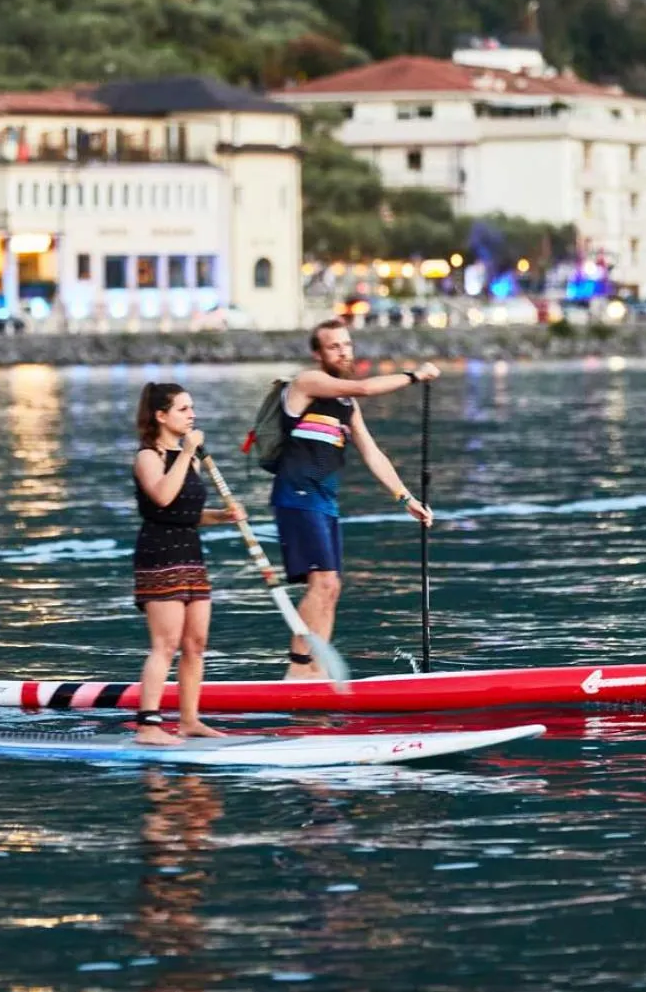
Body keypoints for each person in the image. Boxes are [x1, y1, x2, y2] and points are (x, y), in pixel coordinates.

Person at [273, 318, 439, 679]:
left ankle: (317, 670)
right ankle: (298, 671)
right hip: (297, 496)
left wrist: (405, 498)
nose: (343, 350)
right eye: (334, 346)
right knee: (324, 583)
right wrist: (414, 376)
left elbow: (373, 453)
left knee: (332, 588)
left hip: (325, 501)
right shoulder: (307, 383)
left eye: (347, 344)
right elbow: (365, 386)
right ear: (318, 354)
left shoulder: (346, 404)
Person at [131, 382, 245, 745]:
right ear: (161, 416)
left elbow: (188, 514)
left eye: (192, 407)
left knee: (196, 643)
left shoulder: (190, 458)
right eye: (183, 409)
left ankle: (189, 720)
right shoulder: (148, 457)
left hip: (190, 553)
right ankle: (148, 726)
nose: (192, 414)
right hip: (159, 554)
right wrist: (186, 453)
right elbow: (163, 498)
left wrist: (221, 516)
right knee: (165, 644)